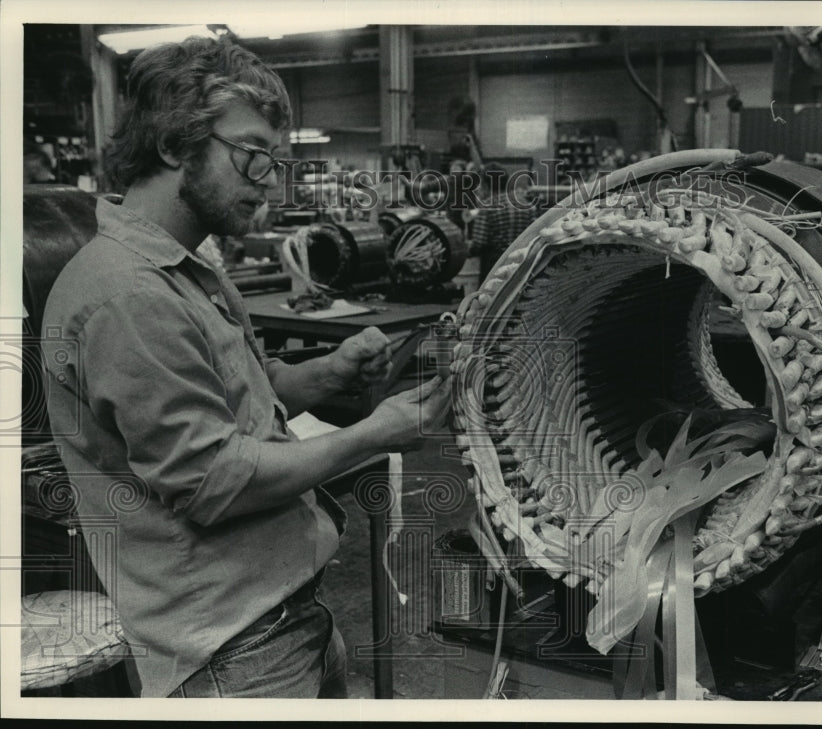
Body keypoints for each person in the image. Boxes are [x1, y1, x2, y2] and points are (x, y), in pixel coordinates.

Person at [41, 37, 450, 699]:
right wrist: (377, 432)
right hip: (232, 648)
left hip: (285, 613)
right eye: (254, 154)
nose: (270, 179)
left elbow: (242, 393)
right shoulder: (128, 295)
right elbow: (215, 481)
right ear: (176, 145)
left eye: (275, 159)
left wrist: (328, 371)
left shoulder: (189, 268)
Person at [470, 166, 540, 284]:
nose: (479, 188)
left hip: (495, 264)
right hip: (520, 262)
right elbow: (535, 236)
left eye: (481, 184)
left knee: (490, 298)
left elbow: (479, 242)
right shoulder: (526, 204)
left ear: (487, 185)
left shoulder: (488, 206)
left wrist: (467, 251)